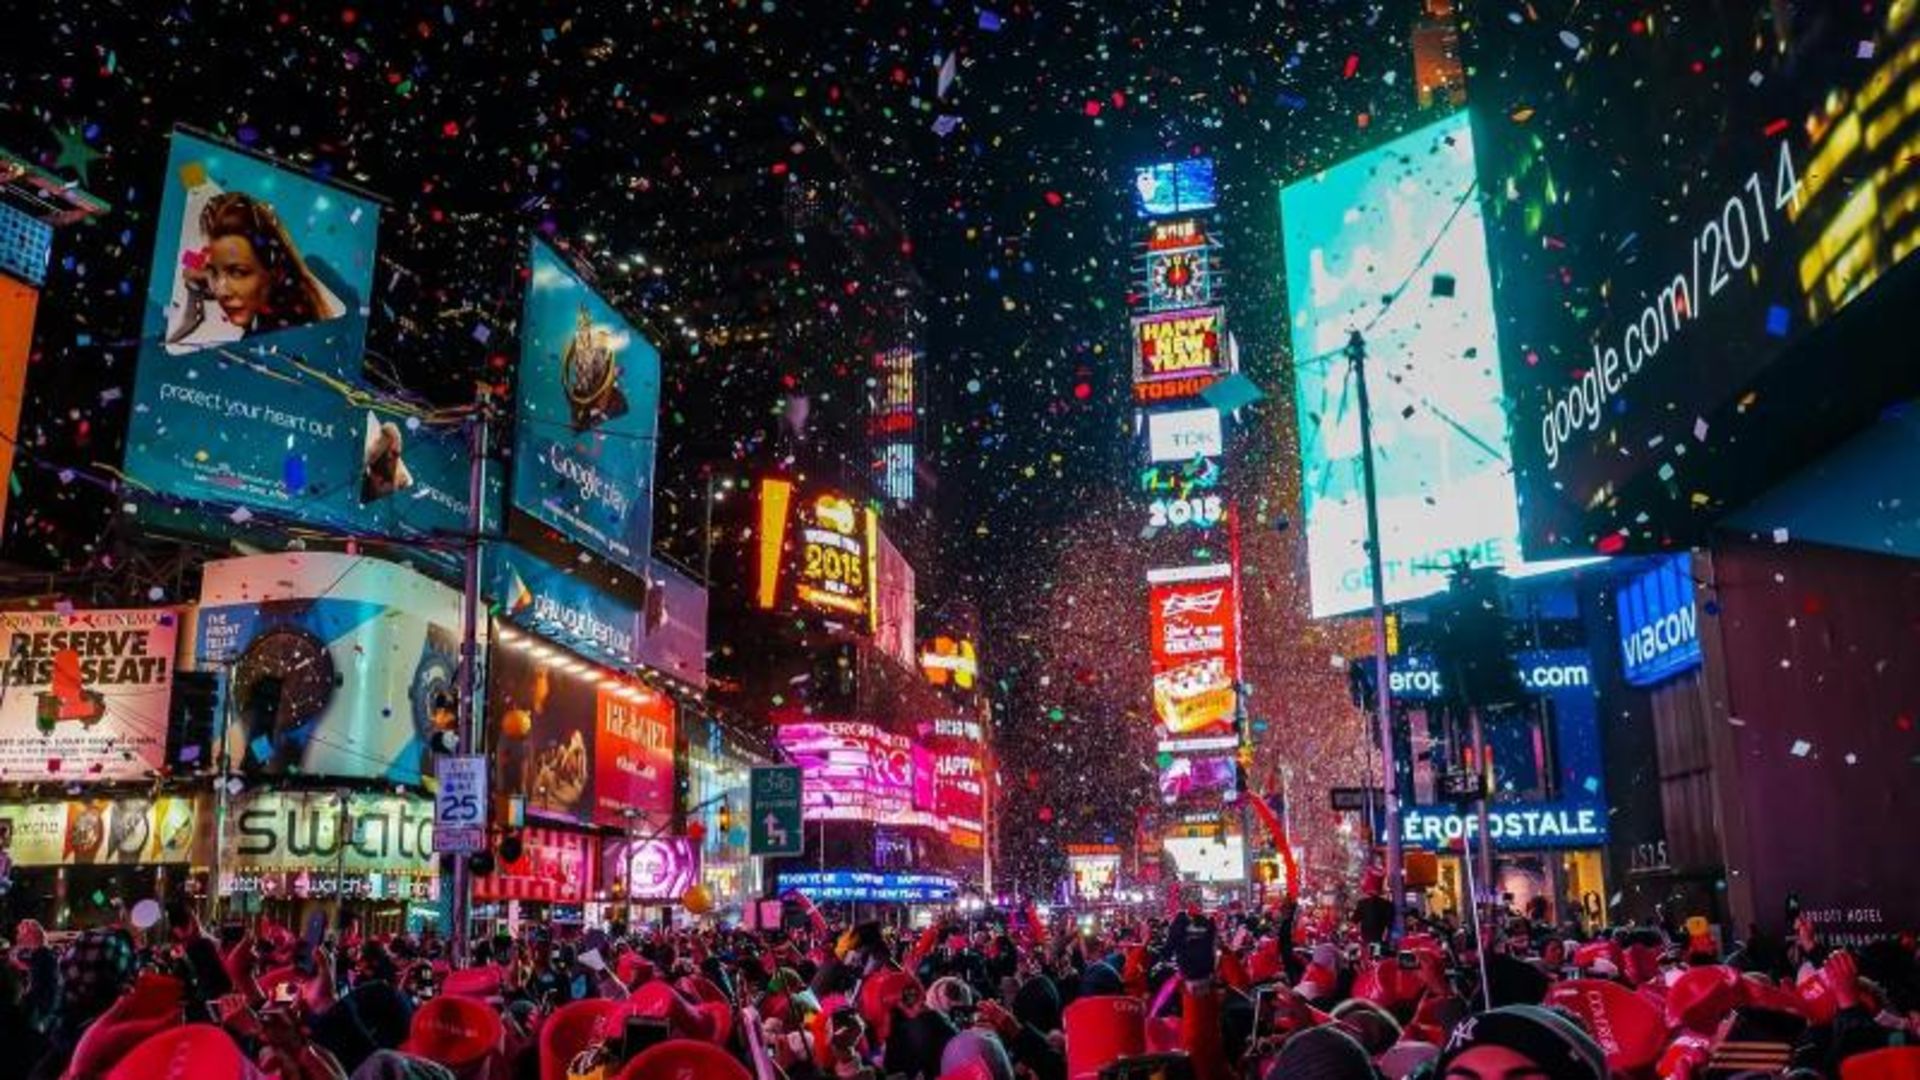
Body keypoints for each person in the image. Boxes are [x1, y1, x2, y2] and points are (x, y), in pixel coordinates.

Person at [168, 191, 342, 345]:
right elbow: (189, 264)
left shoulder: (280, 347)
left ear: (276, 272)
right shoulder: (277, 334)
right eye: (213, 272)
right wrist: (189, 312)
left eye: (237, 272)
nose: (221, 292)